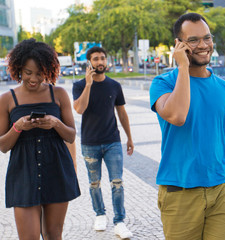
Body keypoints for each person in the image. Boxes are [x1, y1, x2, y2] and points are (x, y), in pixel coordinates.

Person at [149, 13, 225, 239]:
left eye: (207, 38)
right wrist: (182, 68)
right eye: (193, 40)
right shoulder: (162, 83)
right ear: (179, 45)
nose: (203, 45)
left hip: (221, 190)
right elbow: (178, 116)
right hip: (180, 192)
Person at [0, 38, 80, 239]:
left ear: (48, 70)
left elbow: (71, 135)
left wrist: (56, 123)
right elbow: (2, 145)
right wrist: (17, 127)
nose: (34, 78)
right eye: (28, 72)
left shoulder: (59, 94)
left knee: (53, 235)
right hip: (23, 174)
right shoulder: (7, 99)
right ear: (18, 69)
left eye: (40, 73)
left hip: (56, 170)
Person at [72, 46, 134, 238]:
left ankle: (119, 221)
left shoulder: (114, 85)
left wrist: (129, 138)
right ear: (89, 62)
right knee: (94, 183)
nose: (100, 62)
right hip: (90, 142)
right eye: (96, 59)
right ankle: (100, 214)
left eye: (102, 58)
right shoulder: (80, 85)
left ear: (106, 61)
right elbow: (79, 109)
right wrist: (89, 84)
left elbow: (122, 113)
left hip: (112, 142)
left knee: (117, 182)